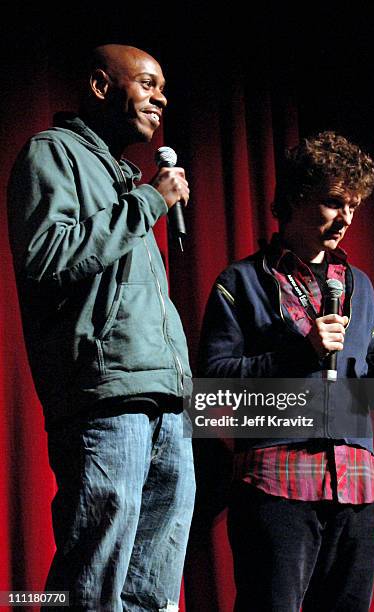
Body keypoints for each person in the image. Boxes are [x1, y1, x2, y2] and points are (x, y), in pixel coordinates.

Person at [198, 131, 374, 612]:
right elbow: (212, 387)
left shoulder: (359, 285)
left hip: (359, 488)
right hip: (276, 485)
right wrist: (297, 353)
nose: (346, 218)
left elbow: (356, 399)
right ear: (296, 197)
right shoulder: (240, 281)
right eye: (334, 202)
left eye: (354, 206)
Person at [7, 44, 195, 611]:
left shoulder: (124, 176)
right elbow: (46, 256)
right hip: (104, 394)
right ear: (99, 85)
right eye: (146, 83)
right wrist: (144, 204)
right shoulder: (52, 154)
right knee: (92, 574)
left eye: (163, 86)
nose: (160, 97)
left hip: (166, 396)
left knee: (154, 585)